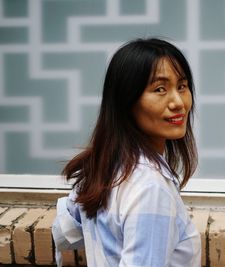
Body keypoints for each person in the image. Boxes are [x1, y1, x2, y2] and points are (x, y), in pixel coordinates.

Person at [52, 38, 201, 267]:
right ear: (126, 102)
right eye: (160, 89)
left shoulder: (108, 166)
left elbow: (64, 231)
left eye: (182, 86)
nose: (178, 102)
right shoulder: (151, 188)